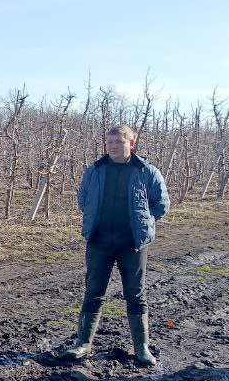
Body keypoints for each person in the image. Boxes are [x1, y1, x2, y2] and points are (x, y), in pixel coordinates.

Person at [61, 124, 170, 367]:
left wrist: (140, 223)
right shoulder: (95, 171)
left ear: (132, 144)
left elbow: (160, 206)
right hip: (99, 241)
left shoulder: (146, 171)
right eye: (109, 143)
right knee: (93, 292)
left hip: (132, 244)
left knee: (135, 294)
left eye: (119, 142)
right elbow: (84, 200)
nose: (113, 147)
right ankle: (83, 344)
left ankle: (141, 348)